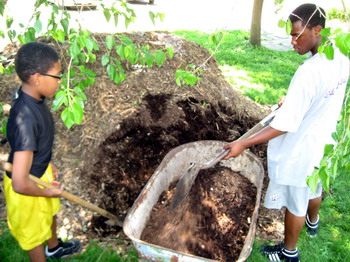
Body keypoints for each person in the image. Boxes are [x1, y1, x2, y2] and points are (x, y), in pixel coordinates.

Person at [223, 3, 349, 262]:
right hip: (324, 141)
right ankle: (314, 223)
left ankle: (289, 252)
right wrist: (292, 101)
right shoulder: (339, 55)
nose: (292, 41)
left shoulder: (309, 72)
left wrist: (243, 144)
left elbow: (283, 125)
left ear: (317, 29)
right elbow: (320, 96)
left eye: (296, 35)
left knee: (296, 200)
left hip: (302, 149)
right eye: (291, 34)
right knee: (315, 185)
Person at [4, 42, 81, 262]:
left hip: (39, 171)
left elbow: (36, 143)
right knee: (33, 234)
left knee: (49, 213)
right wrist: (47, 192)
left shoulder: (33, 96)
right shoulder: (25, 119)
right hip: (26, 187)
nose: (60, 81)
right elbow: (19, 183)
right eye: (57, 75)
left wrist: (47, 162)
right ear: (37, 77)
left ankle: (54, 247)